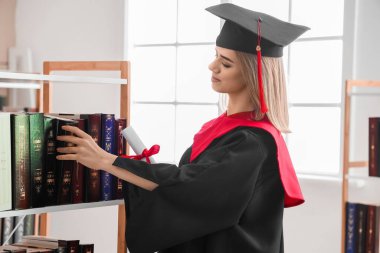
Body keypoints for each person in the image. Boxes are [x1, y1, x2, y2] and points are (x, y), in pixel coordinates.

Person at [56, 3, 309, 253]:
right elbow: (190, 189)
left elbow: (190, 189)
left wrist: (107, 161)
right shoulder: (222, 128)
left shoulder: (253, 142)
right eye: (215, 55)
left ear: (255, 75)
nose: (213, 66)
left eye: (227, 63)